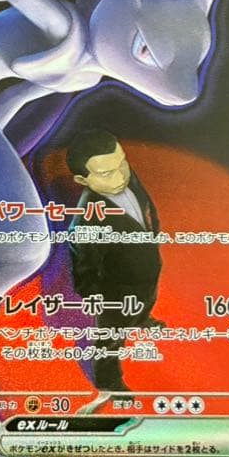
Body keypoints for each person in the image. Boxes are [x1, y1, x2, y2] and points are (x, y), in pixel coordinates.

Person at [66, 129, 163, 393]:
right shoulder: (85, 221)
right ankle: (108, 381)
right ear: (82, 179)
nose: (121, 177)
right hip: (115, 293)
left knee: (146, 300)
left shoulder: (127, 178)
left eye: (122, 164)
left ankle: (141, 319)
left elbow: (145, 208)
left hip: (144, 271)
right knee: (110, 337)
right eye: (107, 173)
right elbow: (84, 271)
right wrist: (102, 300)